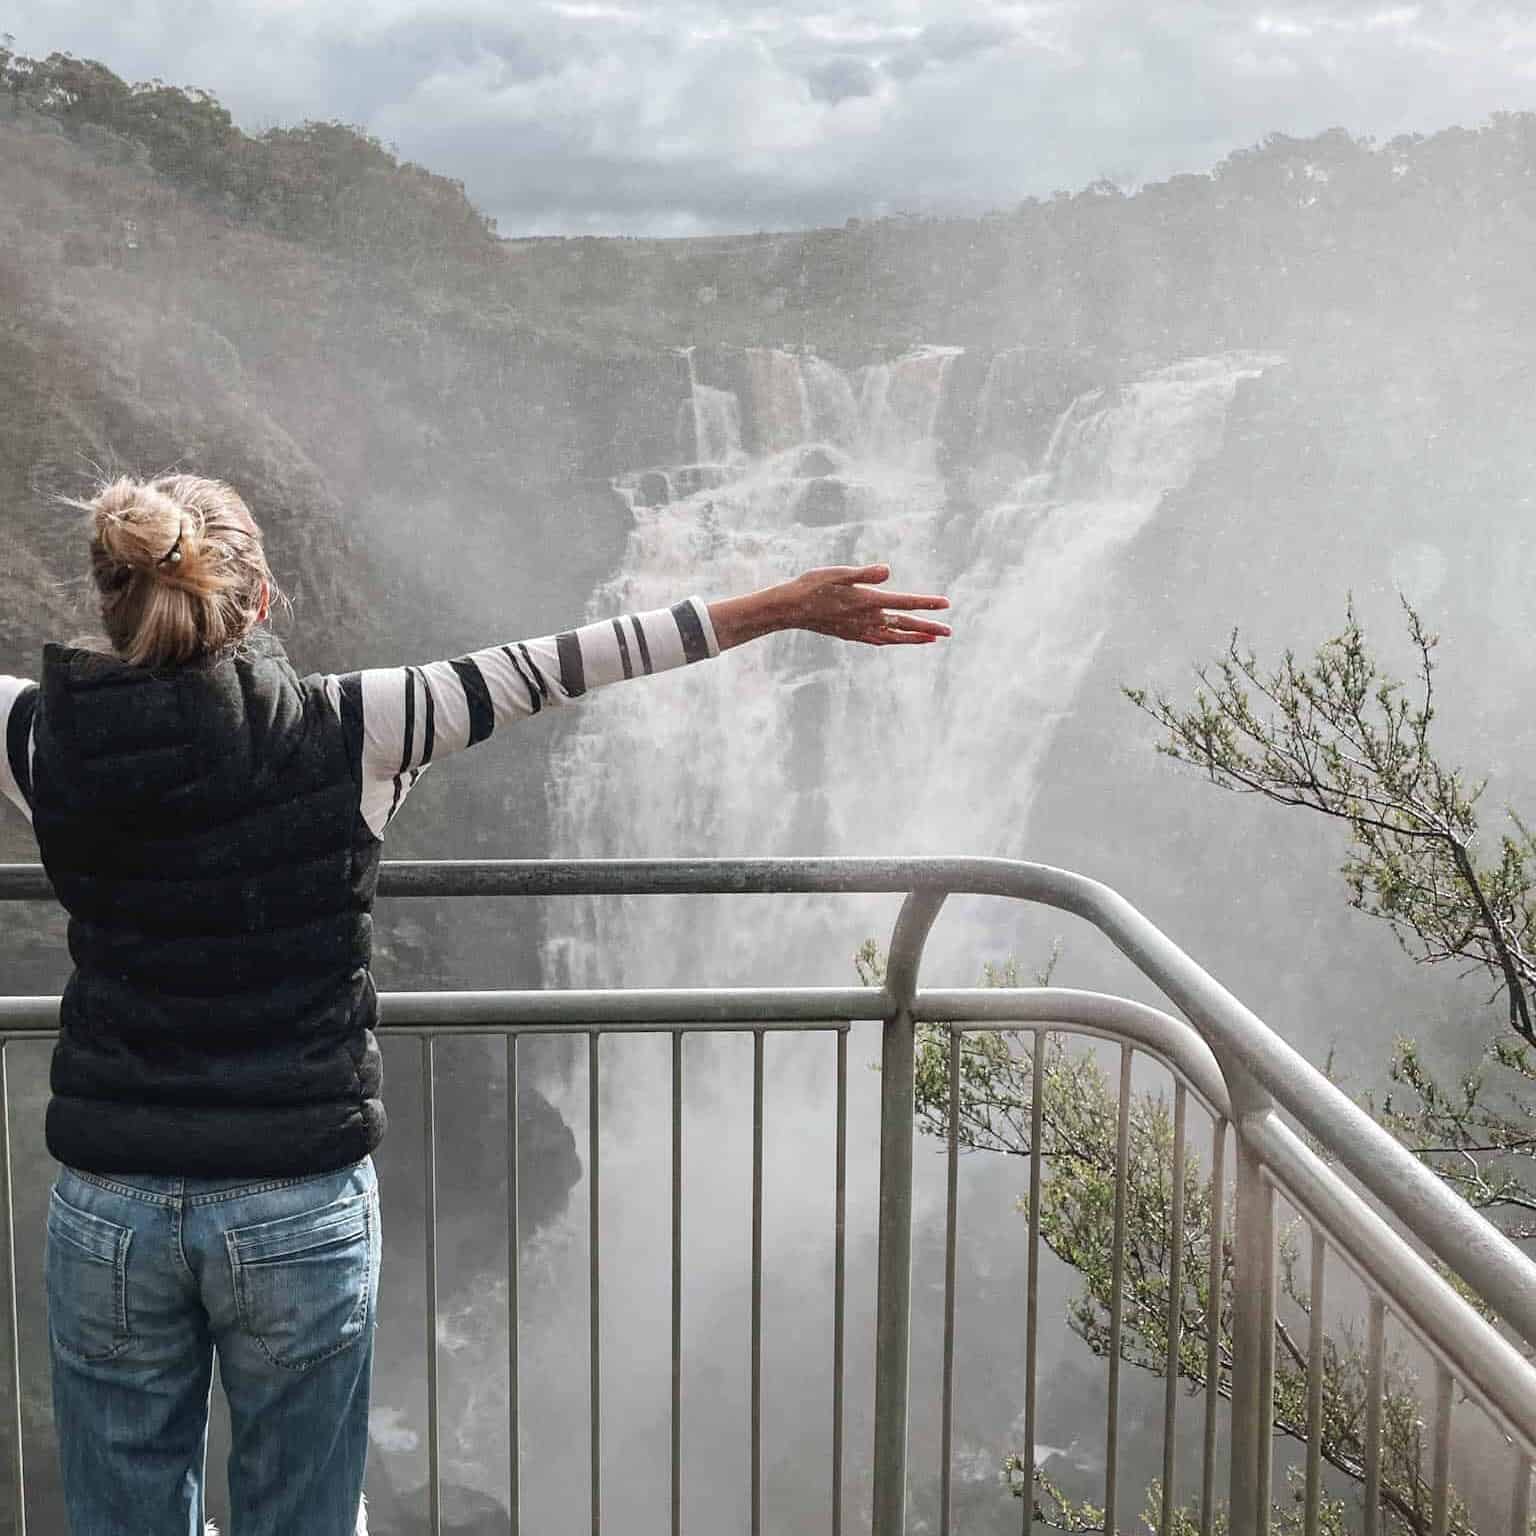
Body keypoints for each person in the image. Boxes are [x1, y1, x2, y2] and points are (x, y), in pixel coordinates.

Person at [0, 472, 952, 1536]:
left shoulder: (46, 741)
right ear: (260, 601)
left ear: (109, 600)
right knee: (306, 1511)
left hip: (112, 1207)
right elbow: (565, 664)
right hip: (296, 1201)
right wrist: (782, 606)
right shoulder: (357, 726)